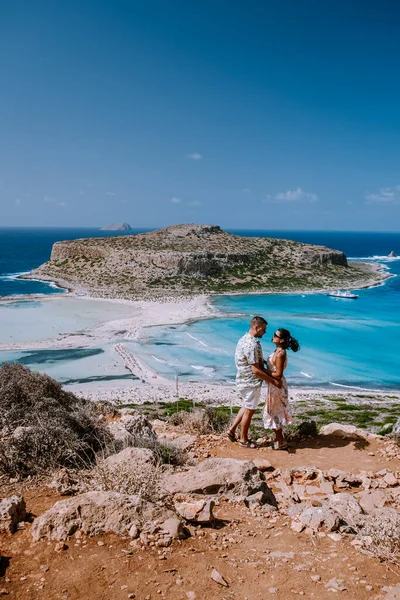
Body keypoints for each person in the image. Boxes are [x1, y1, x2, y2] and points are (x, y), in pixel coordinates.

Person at [227, 316, 281, 448]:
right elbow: (256, 370)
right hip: (250, 382)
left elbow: (253, 362)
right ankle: (243, 440)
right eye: (264, 329)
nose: (265, 332)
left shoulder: (245, 339)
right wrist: (274, 382)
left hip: (243, 380)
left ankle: (231, 430)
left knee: (246, 405)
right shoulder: (251, 344)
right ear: (256, 328)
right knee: (250, 410)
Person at [263, 328, 300, 450]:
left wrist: (262, 370)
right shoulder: (277, 351)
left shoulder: (281, 353)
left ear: (282, 340)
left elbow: (278, 374)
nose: (273, 336)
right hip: (274, 385)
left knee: (274, 412)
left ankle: (281, 441)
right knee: (274, 411)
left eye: (276, 335)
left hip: (276, 385)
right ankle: (279, 439)